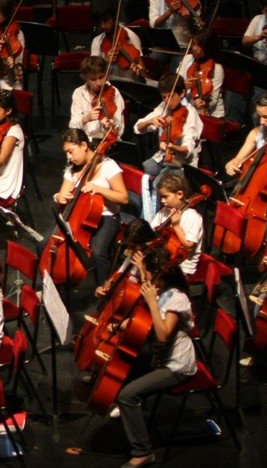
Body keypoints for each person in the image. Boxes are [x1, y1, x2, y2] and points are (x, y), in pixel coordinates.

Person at [114, 248, 195, 468]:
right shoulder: (163, 290)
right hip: (160, 358)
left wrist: (151, 301)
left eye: (148, 273)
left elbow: (162, 335)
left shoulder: (177, 298)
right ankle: (135, 414)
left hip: (177, 367)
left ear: (159, 276)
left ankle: (143, 451)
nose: (145, 278)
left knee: (127, 395)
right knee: (122, 368)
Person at [55, 129, 128, 285]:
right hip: (78, 214)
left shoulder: (108, 166)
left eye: (71, 152)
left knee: (98, 252)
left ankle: (102, 288)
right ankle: (55, 281)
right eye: (66, 153)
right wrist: (59, 197)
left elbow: (123, 197)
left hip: (107, 217)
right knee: (47, 243)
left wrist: (100, 189)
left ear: (83, 145)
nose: (68, 157)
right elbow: (61, 194)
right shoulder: (72, 168)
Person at [134, 74, 202, 222]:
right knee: (139, 172)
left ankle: (150, 222)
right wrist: (150, 121)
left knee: (158, 184)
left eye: (170, 97)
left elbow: (188, 150)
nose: (167, 101)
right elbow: (138, 127)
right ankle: (141, 216)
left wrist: (172, 146)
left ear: (182, 93)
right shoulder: (163, 107)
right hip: (162, 156)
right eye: (164, 97)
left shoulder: (190, 115)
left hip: (180, 163)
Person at [70, 56, 126, 142]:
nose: (99, 83)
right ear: (85, 78)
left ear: (106, 74)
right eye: (93, 79)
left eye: (101, 77)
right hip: (85, 140)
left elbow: (119, 127)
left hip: (108, 140)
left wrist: (110, 126)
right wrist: (86, 119)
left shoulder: (114, 93)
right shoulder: (78, 93)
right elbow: (73, 126)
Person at [177, 30, 225, 118]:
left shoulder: (217, 68)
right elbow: (175, 83)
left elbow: (213, 100)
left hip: (211, 113)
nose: (194, 48)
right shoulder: (187, 59)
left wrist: (201, 104)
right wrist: (183, 86)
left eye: (199, 45)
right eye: (193, 44)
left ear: (208, 47)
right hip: (187, 107)